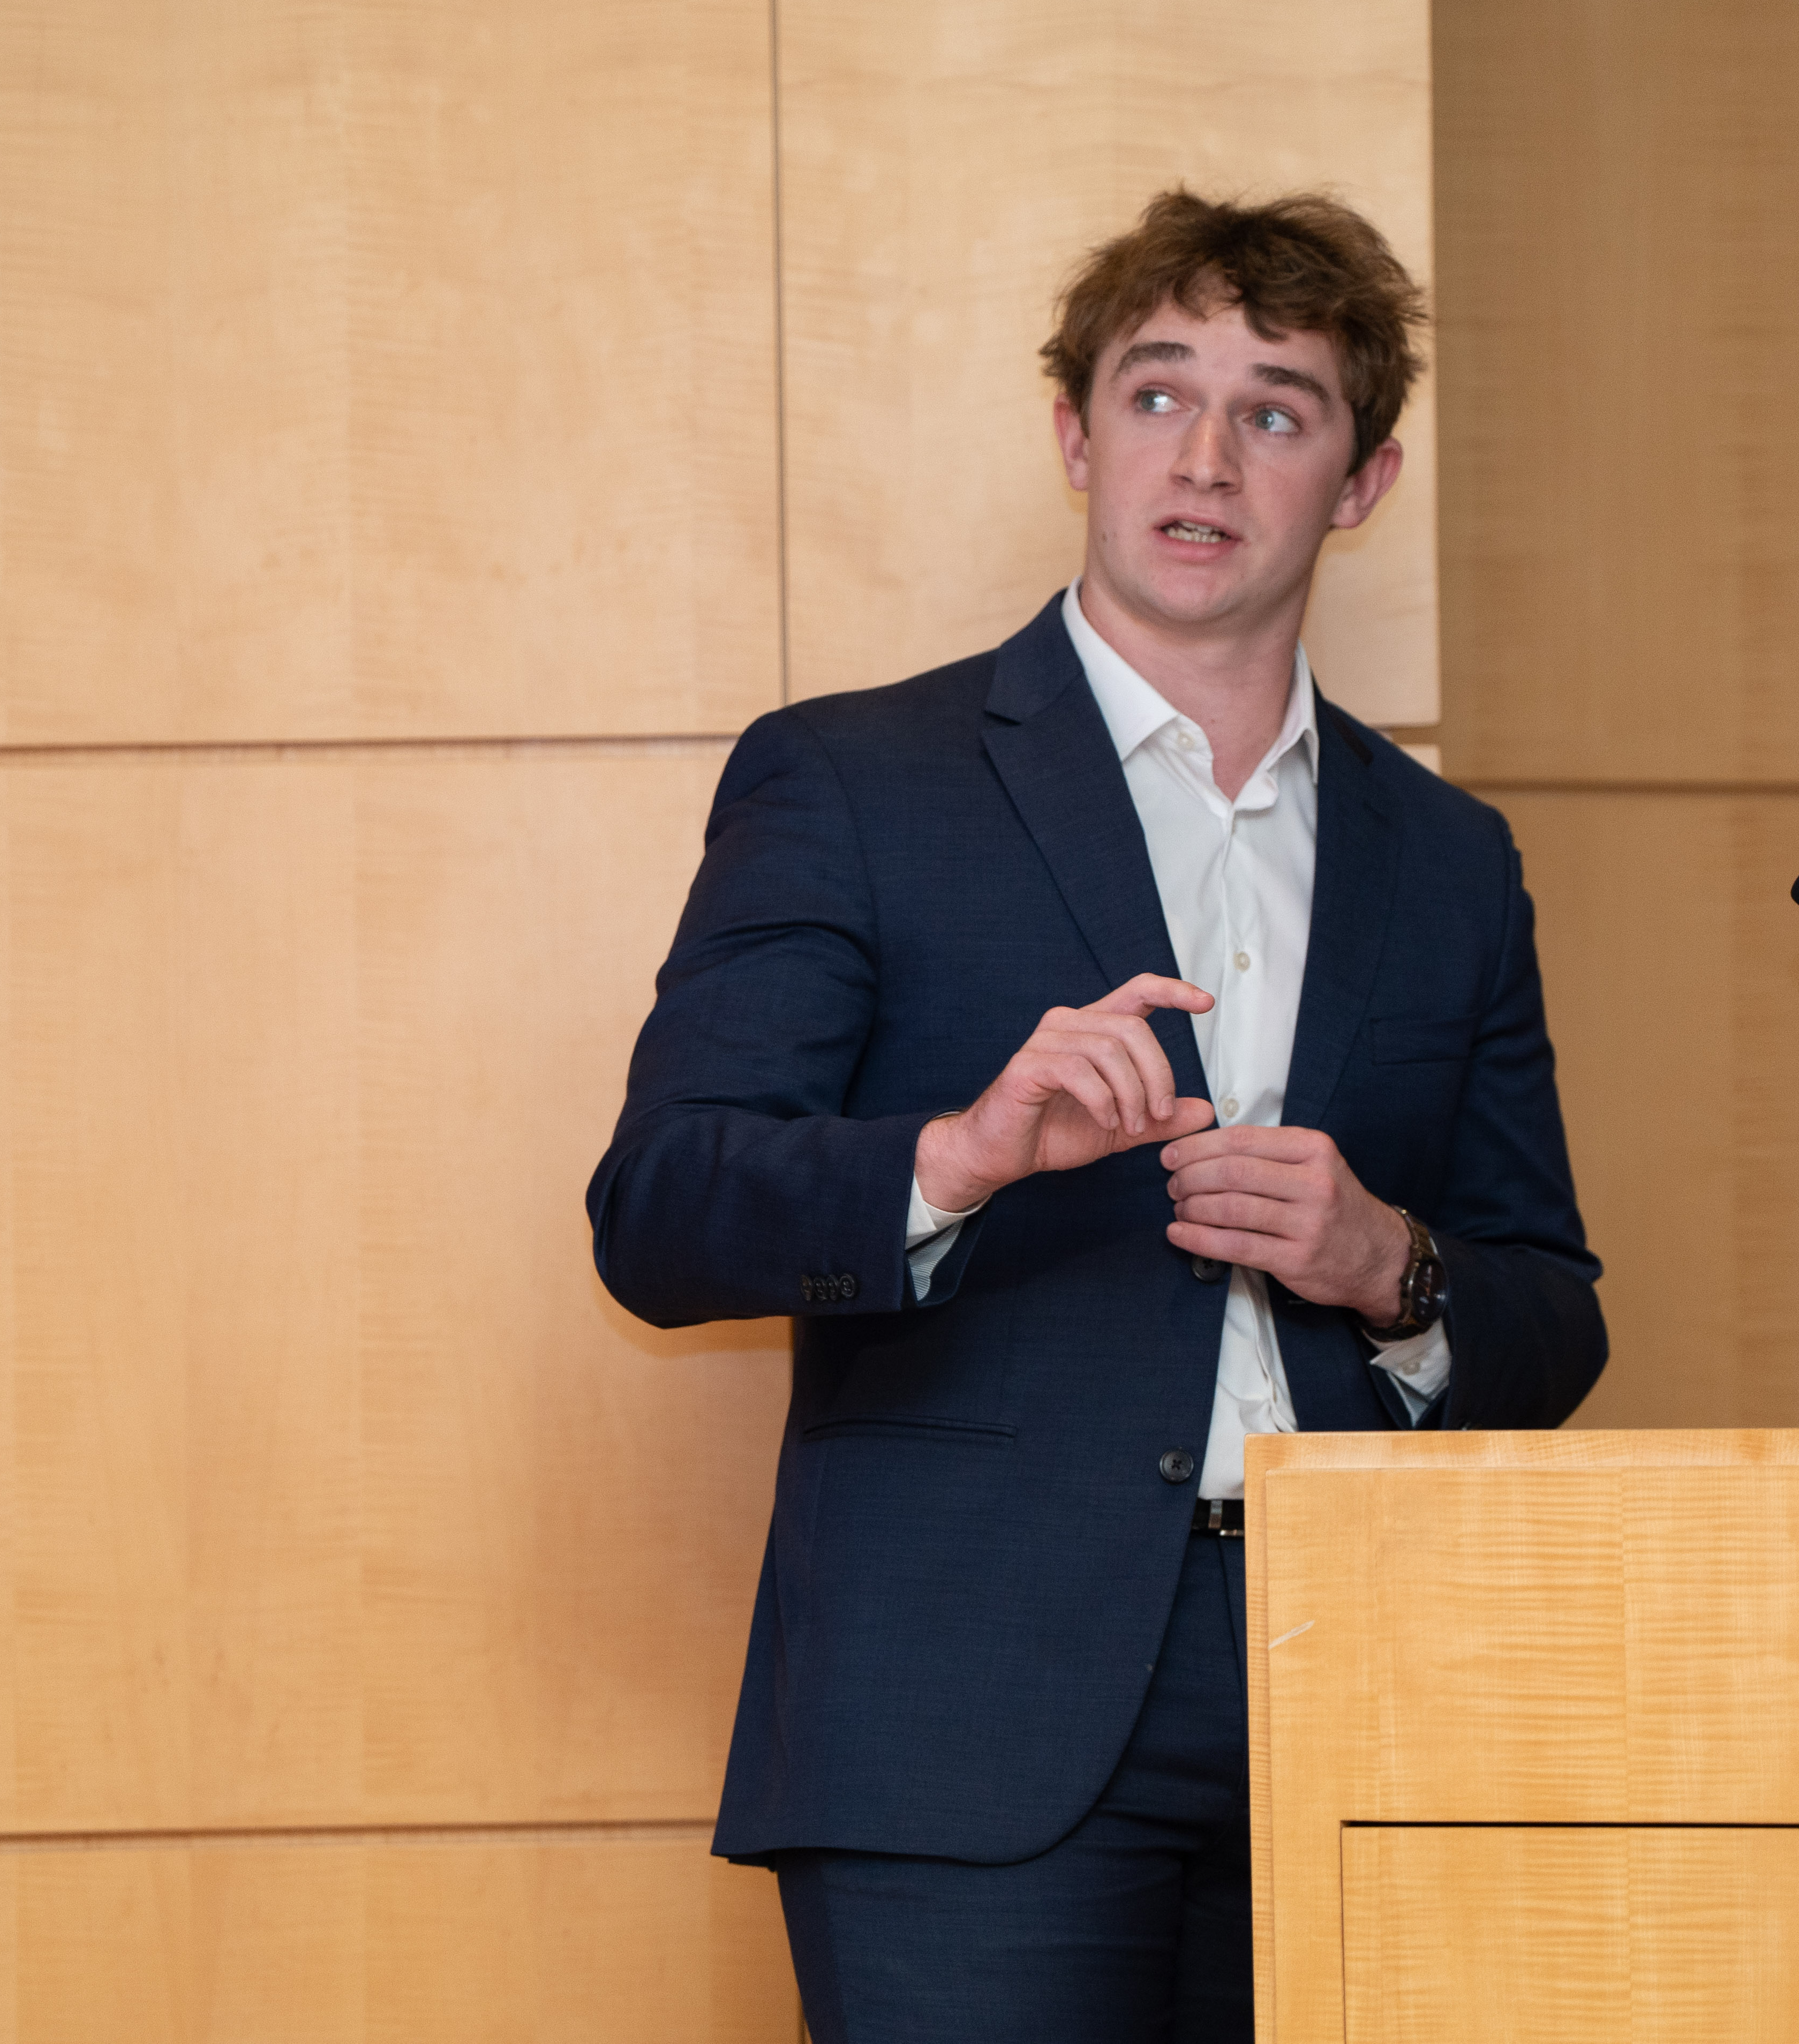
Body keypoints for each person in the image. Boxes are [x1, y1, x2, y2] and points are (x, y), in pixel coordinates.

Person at [588, 188, 1604, 2042]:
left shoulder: (1449, 862)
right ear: (1076, 437)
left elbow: (1553, 1310)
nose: (1207, 458)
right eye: (1158, 397)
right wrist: (954, 1161)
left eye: (1279, 411)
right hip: (964, 1717)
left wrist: (1399, 1269)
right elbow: (659, 1212)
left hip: (1360, 1707)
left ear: (1361, 483)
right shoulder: (855, 779)